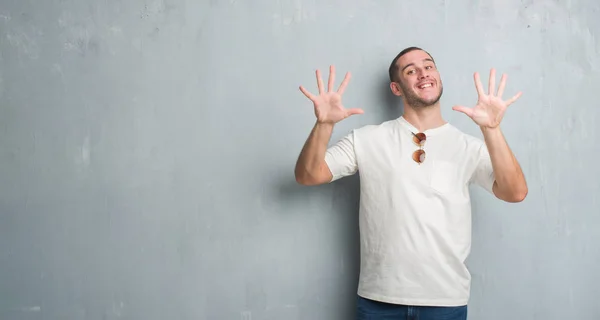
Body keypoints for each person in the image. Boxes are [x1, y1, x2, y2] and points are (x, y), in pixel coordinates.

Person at [294, 47, 528, 320]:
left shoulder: (468, 147)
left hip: (445, 299)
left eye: (428, 66)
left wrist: (492, 129)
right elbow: (308, 175)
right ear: (396, 88)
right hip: (379, 299)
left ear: (438, 76)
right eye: (411, 70)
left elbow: (515, 192)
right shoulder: (368, 139)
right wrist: (323, 125)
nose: (423, 73)